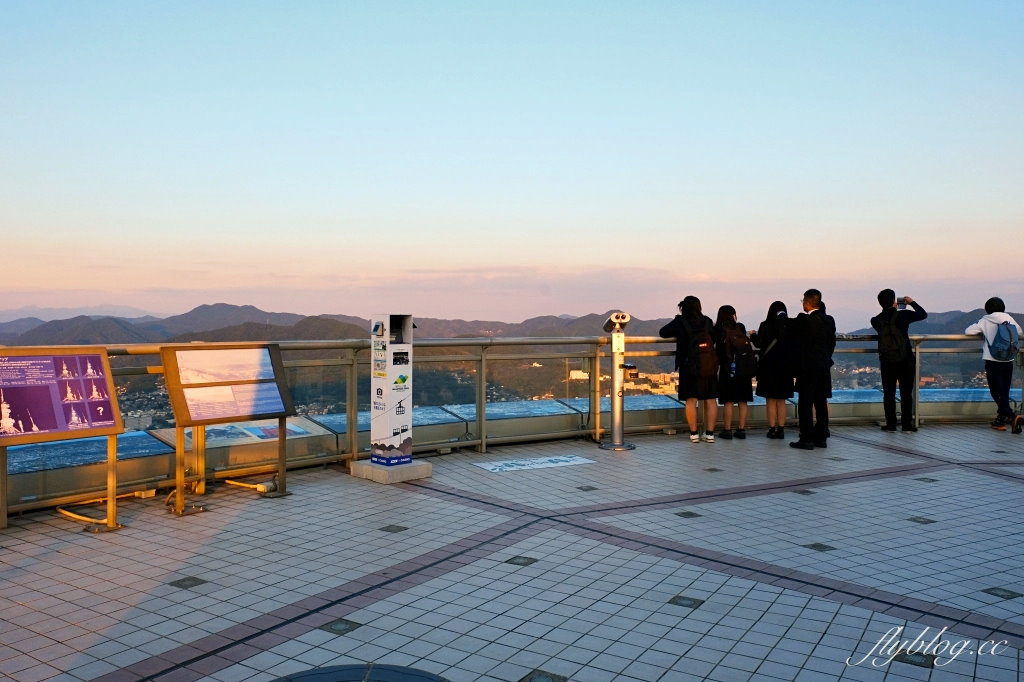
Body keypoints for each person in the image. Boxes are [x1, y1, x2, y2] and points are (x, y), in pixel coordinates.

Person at [660, 295, 719, 443]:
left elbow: (663, 332)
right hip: (708, 365)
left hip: (689, 366)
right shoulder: (707, 321)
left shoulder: (680, 322)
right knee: (711, 399)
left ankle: (694, 433)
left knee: (691, 400)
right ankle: (710, 433)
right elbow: (715, 338)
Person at [870, 291, 927, 432]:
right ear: (894, 302)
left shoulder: (876, 320)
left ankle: (891, 424)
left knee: (888, 393)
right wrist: (911, 302)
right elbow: (922, 314)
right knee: (906, 393)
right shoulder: (903, 315)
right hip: (905, 358)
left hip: (887, 360)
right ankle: (907, 424)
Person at [965, 297, 1023, 432]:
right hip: (1009, 358)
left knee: (996, 391)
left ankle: (1012, 416)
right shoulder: (1009, 318)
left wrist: (984, 332)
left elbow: (969, 331)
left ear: (988, 308)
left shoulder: (986, 320)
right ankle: (1000, 421)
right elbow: (1019, 332)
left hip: (993, 359)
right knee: (1004, 391)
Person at [789, 289, 836, 450]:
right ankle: (821, 437)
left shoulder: (804, 321)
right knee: (821, 402)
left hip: (808, 367)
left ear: (807, 302)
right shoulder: (829, 320)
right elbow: (831, 343)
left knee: (805, 404)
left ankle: (806, 438)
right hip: (823, 366)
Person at [752, 301, 794, 439]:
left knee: (770, 400)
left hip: (768, 367)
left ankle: (772, 429)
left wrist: (752, 335)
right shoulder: (788, 326)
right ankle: (781, 429)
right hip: (785, 367)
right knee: (781, 400)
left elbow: (759, 343)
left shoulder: (765, 325)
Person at [713, 305, 753, 439]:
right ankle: (741, 430)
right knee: (743, 400)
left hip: (727, 369)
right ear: (733, 315)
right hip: (744, 369)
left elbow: (719, 351)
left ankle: (727, 430)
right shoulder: (740, 327)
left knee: (728, 401)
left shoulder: (719, 330)